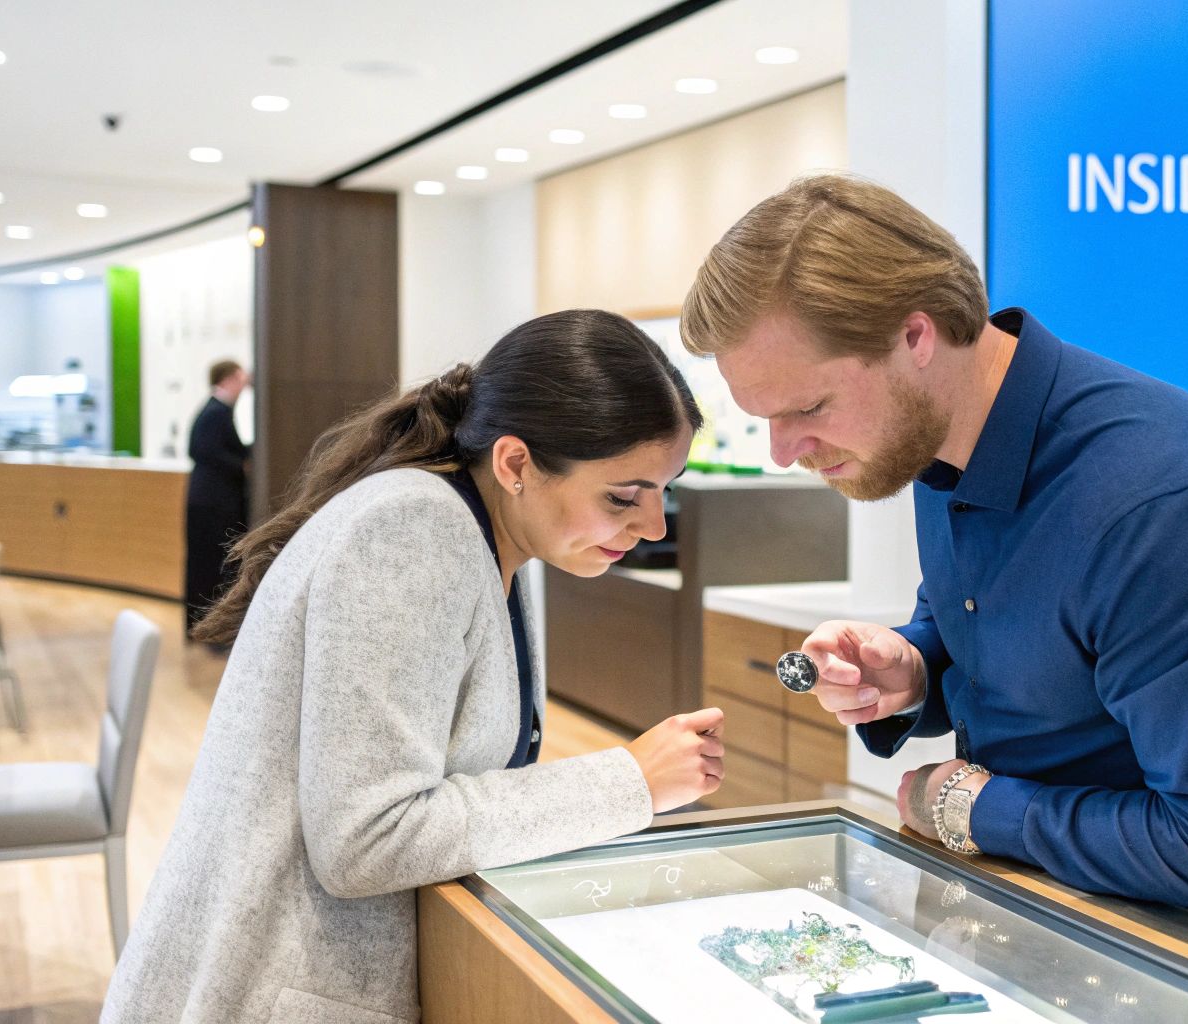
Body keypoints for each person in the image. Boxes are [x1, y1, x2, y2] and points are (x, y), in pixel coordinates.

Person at [680, 174, 1188, 953]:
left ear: (916, 338)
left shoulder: (1167, 505)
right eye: (764, 419)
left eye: (807, 409)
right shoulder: (937, 442)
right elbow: (1015, 640)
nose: (782, 453)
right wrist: (914, 669)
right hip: (1048, 913)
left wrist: (971, 807)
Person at [103, 310, 726, 1022]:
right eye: (624, 496)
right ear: (516, 464)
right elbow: (367, 839)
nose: (652, 527)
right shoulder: (413, 529)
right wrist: (628, 781)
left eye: (663, 491)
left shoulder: (502, 538)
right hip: (276, 990)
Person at [184, 359, 251, 633]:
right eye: (240, 378)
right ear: (228, 380)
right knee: (211, 565)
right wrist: (242, 465)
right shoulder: (216, 412)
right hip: (212, 503)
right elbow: (202, 450)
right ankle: (209, 627)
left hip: (208, 501)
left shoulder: (216, 410)